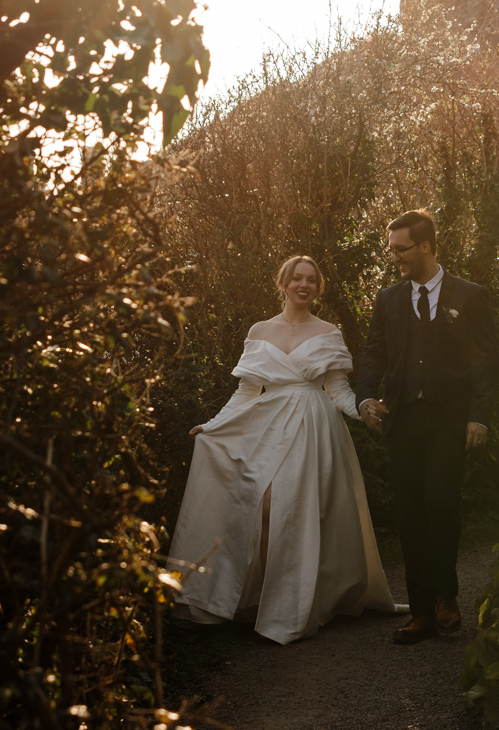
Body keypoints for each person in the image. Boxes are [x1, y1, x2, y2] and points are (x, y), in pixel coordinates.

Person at [165, 255, 395, 644]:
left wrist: (364, 410)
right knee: (265, 507)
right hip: (266, 426)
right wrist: (213, 426)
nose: (304, 285)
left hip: (314, 428)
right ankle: (259, 599)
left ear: (317, 287)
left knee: (293, 512)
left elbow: (338, 391)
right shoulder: (259, 330)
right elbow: (246, 392)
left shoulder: (328, 332)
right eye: (297, 279)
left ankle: (289, 606)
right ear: (283, 283)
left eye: (311, 280)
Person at [355, 209, 498, 645]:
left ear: (427, 247)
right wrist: (364, 396)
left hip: (448, 420)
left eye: (401, 249)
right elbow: (375, 353)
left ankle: (446, 598)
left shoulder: (471, 296)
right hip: (401, 422)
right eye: (392, 249)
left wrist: (479, 415)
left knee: (440, 501)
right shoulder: (388, 299)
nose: (394, 257)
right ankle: (420, 611)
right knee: (411, 514)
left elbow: (485, 363)